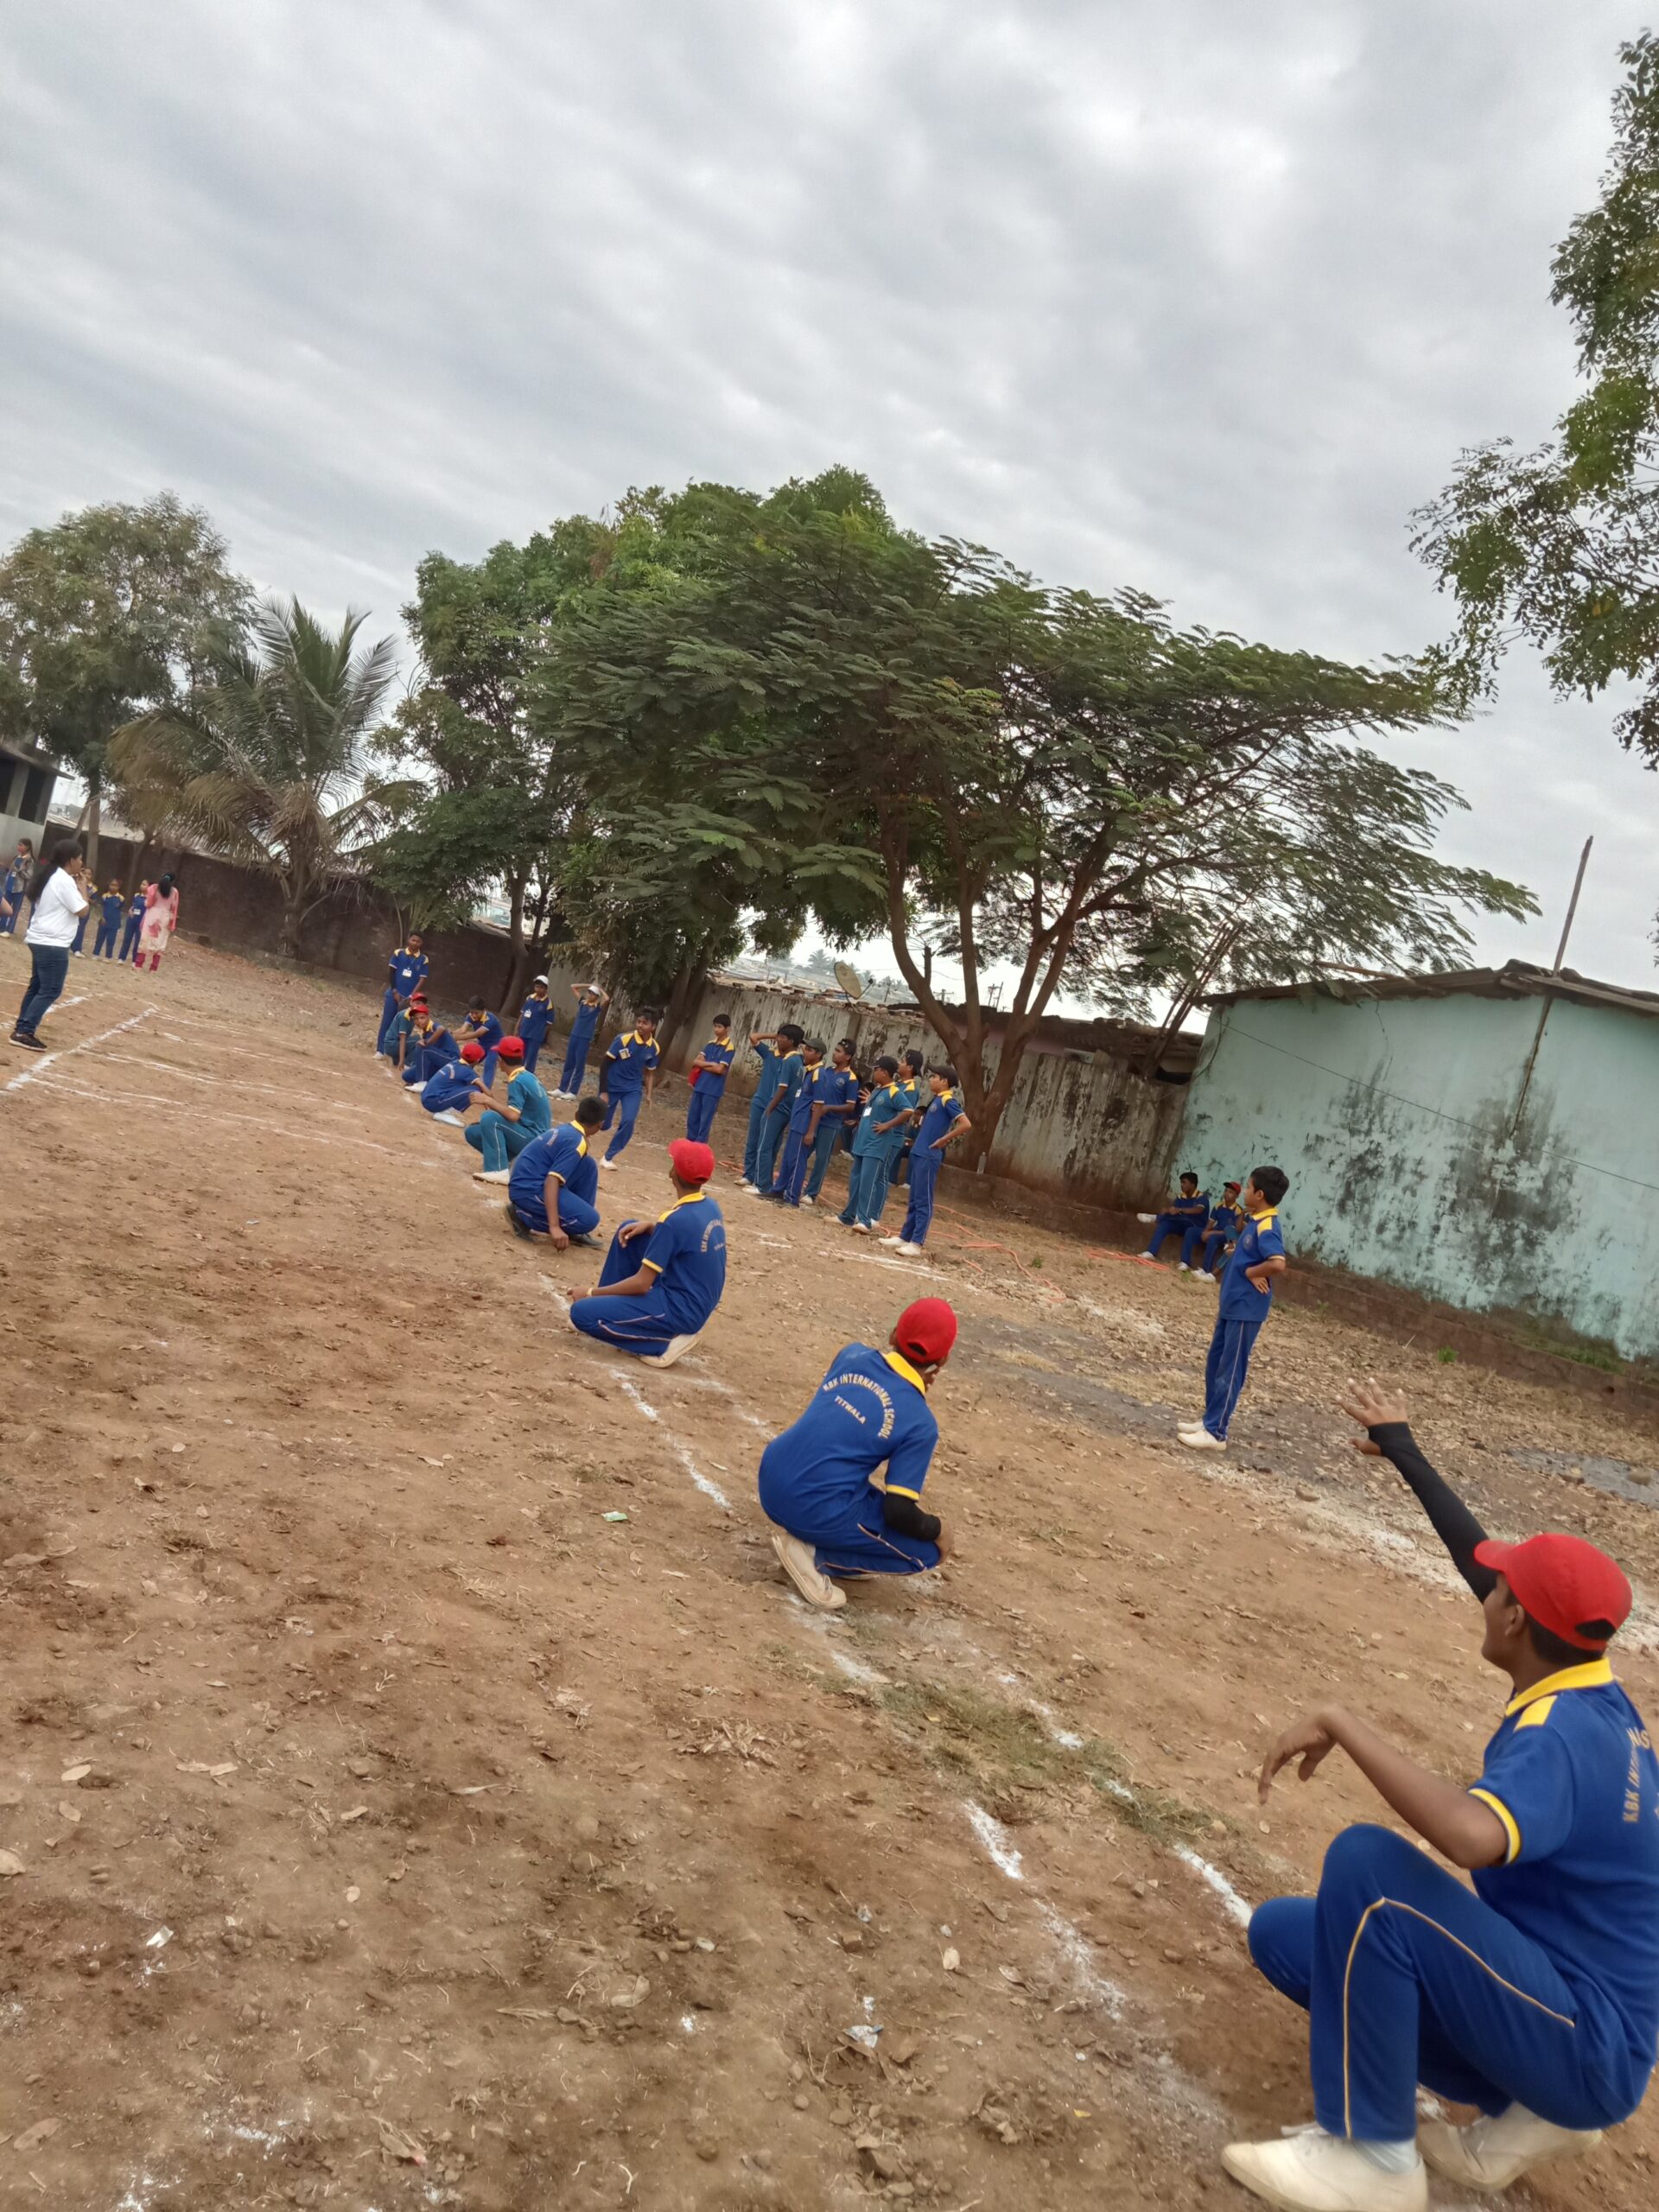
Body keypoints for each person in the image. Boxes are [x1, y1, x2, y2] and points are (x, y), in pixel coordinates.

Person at [1225, 1382, 1658, 2212]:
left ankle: (1374, 2162)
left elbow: (1468, 1836)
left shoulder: (1561, 1739)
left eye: (1500, 1592)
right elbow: (1482, 1564)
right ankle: (1532, 2110)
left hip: (1586, 2045)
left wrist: (1341, 1721)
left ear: (1516, 1623)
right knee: (1291, 1937)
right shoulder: (1585, 1685)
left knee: (1370, 1870)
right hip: (1570, 2013)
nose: (1484, 1592)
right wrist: (1404, 1450)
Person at [757, 1297, 958, 1611]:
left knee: (847, 1475)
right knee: (926, 1552)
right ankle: (815, 1555)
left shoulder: (851, 1354)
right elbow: (898, 1511)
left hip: (770, 1475)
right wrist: (939, 1529)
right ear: (943, 1360)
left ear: (893, 1335)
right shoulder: (920, 1422)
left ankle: (828, 1548)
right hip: (810, 1506)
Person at [568, 1137, 725, 1364]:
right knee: (630, 1231)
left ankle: (665, 1343)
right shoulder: (710, 1206)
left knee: (581, 1314)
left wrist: (591, 1293)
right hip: (697, 1299)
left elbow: (642, 1283)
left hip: (680, 1309)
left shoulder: (674, 1220)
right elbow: (686, 1238)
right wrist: (652, 1227)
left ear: (673, 1174)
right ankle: (607, 1305)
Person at [1179, 1166, 1289, 1450]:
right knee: (1215, 1364)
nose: (1246, 1191)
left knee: (1230, 1369)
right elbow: (1251, 1252)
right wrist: (1236, 1253)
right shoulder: (1253, 1220)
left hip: (1245, 1309)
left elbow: (1277, 1262)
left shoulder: (1267, 1225)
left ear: (1259, 1194)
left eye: (1249, 1187)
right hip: (1231, 1305)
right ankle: (1209, 1419)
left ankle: (1216, 1433)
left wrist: (1253, 1272)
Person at [880, 1067, 970, 1258]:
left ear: (945, 1081)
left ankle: (917, 1242)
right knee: (914, 1197)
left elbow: (965, 1123)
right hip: (919, 1153)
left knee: (923, 1200)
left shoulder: (947, 1100)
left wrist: (944, 1139)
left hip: (929, 1155)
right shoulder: (936, 1100)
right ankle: (905, 1236)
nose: (930, 1079)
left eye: (934, 1077)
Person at [10, 839, 89, 1050]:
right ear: (71, 860)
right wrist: (83, 888)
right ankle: (25, 1030)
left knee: (37, 986)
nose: (81, 863)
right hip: (52, 943)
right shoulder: (63, 880)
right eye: (80, 858)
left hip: (41, 939)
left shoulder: (51, 875)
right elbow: (82, 910)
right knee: (51, 989)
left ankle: (22, 1027)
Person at [505, 1097, 607, 1245]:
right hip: (527, 1189)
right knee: (589, 1220)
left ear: (577, 1114)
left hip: (525, 1180)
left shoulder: (567, 1129)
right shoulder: (576, 1141)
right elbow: (552, 1180)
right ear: (600, 1125)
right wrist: (554, 1226)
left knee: (588, 1165)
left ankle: (575, 1230)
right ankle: (522, 1216)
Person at [466, 1034, 552, 1180]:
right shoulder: (527, 1076)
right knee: (473, 1132)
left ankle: (498, 1170)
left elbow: (513, 1115)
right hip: (538, 1139)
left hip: (534, 1139)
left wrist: (488, 1100)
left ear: (500, 1060)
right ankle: (513, 1163)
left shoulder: (517, 1080)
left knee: (489, 1118)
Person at [838, 1056, 908, 1233]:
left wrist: (888, 1125)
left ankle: (865, 1220)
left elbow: (908, 1110)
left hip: (876, 1143)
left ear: (884, 1072)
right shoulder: (878, 1089)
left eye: (876, 1069)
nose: (874, 1072)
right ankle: (848, 1215)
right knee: (856, 1179)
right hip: (863, 1141)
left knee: (868, 1181)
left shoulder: (894, 1092)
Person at [760, 1037, 828, 1203]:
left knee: (797, 1160)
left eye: (810, 1050)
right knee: (788, 1158)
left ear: (819, 1054)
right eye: (806, 1048)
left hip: (804, 1125)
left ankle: (792, 1196)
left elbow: (819, 1104)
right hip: (797, 1122)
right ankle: (778, 1189)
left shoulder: (819, 1074)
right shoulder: (809, 1071)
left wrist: (810, 1132)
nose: (805, 1052)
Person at [794, 1038, 861, 1205]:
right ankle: (794, 1183)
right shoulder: (827, 1071)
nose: (834, 1053)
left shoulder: (851, 1079)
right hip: (814, 1119)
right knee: (803, 1152)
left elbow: (850, 1105)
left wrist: (828, 1108)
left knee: (821, 1159)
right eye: (835, 1050)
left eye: (839, 1051)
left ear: (848, 1057)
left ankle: (811, 1193)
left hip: (831, 1124)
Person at [745, 1023, 806, 1198]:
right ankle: (763, 1182)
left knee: (764, 1146)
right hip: (785, 1109)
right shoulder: (798, 1061)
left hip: (777, 1108)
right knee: (768, 1146)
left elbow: (782, 1088)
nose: (778, 1040)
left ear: (791, 1041)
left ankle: (762, 1185)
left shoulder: (789, 1061)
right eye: (778, 1036)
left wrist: (770, 1108)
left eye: (783, 1037)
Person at [596, 1007, 660, 1167]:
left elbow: (650, 1073)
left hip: (633, 1089)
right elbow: (605, 1064)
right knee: (602, 1124)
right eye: (638, 1022)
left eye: (644, 1023)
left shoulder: (654, 1048)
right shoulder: (623, 1039)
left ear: (653, 1027)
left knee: (629, 1121)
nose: (640, 1025)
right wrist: (603, 1091)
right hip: (612, 1086)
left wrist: (649, 1094)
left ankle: (608, 1157)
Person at [1135, 1172, 1211, 1268]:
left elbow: (1198, 1210)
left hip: (1195, 1225)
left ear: (1192, 1184)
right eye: (1181, 1182)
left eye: (1184, 1182)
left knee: (1187, 1225)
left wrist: (1179, 1210)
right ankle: (1151, 1252)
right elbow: (1175, 1212)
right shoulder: (1180, 1196)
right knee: (1165, 1224)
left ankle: (1185, 1262)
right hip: (1181, 1224)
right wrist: (1169, 1210)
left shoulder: (1202, 1197)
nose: (1182, 1185)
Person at [684, 1014, 735, 1144]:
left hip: (713, 1090)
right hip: (700, 1086)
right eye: (715, 1026)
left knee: (705, 1121)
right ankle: (690, 1144)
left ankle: (699, 1147)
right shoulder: (710, 1044)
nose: (716, 1029)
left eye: (720, 1027)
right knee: (692, 1118)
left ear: (727, 1029)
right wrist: (711, 1064)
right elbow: (696, 1061)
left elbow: (719, 1070)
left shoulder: (729, 1047)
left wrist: (705, 1064)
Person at [555, 982, 611, 1098]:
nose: (590, 995)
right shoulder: (582, 1002)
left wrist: (600, 989)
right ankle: (562, 1088)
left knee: (579, 1064)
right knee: (569, 1062)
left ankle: (573, 1092)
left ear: (597, 996)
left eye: (593, 994)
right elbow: (573, 986)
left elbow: (607, 999)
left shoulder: (597, 1007)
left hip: (584, 1038)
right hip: (574, 1034)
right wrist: (589, 984)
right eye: (589, 992)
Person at [376, 935, 429, 1055]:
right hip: (393, 995)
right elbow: (391, 973)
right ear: (409, 940)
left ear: (421, 943)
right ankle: (380, 1050)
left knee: (404, 1027)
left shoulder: (424, 959)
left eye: (418, 941)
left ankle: (396, 1052)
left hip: (410, 999)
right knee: (387, 1022)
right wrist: (394, 991)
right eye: (413, 940)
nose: (415, 943)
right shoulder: (398, 953)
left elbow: (422, 979)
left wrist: (411, 997)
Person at [885, 1048, 927, 1193]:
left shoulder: (910, 1089)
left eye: (902, 1061)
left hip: (892, 1133)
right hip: (886, 1131)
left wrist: (886, 1125)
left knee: (882, 1175)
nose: (899, 1063)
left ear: (910, 1067)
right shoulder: (898, 1085)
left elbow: (904, 1113)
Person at [420, 1039, 489, 1124]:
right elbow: (486, 1090)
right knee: (476, 1089)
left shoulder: (455, 1062)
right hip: (434, 1102)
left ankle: (444, 1111)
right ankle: (446, 1113)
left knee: (465, 1084)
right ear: (478, 1060)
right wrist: (491, 1105)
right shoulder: (467, 1070)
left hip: (427, 1098)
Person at [400, 1004, 458, 1087]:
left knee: (421, 1047)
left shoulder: (433, 1026)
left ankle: (422, 1083)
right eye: (416, 1019)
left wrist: (427, 1042)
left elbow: (441, 1029)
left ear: (428, 1017)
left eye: (422, 1018)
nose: (419, 1021)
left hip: (452, 1060)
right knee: (406, 1076)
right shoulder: (424, 1032)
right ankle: (430, 1082)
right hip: (437, 1062)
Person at [1196, 1180, 1244, 1279]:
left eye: (1230, 1192)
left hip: (1228, 1236)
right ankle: (1184, 1262)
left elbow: (1232, 1231)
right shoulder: (1218, 1205)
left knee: (1213, 1238)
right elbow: (1210, 1222)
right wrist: (1205, 1232)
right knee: (1192, 1231)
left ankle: (1206, 1270)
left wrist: (1210, 1233)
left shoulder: (1239, 1211)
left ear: (1237, 1196)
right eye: (1226, 1191)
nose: (1227, 1194)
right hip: (1217, 1232)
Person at [135, 873, 179, 974]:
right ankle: (153, 969)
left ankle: (138, 965)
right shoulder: (175, 892)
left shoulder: (154, 888)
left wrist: (146, 904)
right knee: (161, 942)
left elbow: (148, 903)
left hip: (152, 915)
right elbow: (174, 908)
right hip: (165, 917)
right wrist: (172, 923)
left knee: (145, 939)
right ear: (172, 881)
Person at [516, 975, 553, 1075]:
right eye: (537, 987)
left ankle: (528, 1077)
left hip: (535, 1036)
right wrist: (517, 1028)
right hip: (524, 1032)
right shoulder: (529, 998)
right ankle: (518, 1075)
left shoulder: (548, 1003)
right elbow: (522, 1014)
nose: (538, 989)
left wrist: (542, 1035)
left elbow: (549, 1023)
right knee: (521, 1055)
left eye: (541, 987)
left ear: (546, 989)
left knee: (531, 1058)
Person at [0, 838, 33, 936]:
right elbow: (11, 870)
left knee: (14, 909)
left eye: (21, 845)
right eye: (18, 845)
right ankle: (2, 927)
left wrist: (19, 871)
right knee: (5, 907)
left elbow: (29, 875)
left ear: (27, 847)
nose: (18, 847)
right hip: (9, 886)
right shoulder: (16, 857)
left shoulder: (29, 860)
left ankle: (9, 930)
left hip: (19, 888)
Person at [92, 879, 124, 960]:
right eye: (112, 885)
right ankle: (96, 954)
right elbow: (101, 907)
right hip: (104, 921)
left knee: (111, 940)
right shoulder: (104, 896)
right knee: (100, 938)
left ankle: (108, 956)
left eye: (116, 885)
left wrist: (118, 920)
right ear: (109, 886)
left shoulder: (121, 898)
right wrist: (101, 917)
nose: (113, 887)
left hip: (114, 923)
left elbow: (122, 911)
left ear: (119, 887)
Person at [119, 881, 149, 963]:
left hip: (141, 922)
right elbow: (134, 905)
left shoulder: (149, 899)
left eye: (144, 884)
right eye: (141, 884)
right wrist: (130, 910)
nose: (142, 886)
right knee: (127, 939)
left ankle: (134, 961)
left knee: (138, 941)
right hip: (132, 919)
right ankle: (121, 958)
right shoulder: (136, 895)